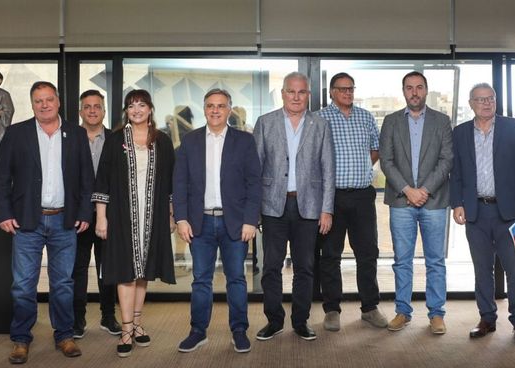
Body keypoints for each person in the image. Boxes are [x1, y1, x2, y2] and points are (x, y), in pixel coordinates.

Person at [0, 81, 93, 364]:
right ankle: (21, 340)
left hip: (65, 220)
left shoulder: (75, 134)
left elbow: (87, 180)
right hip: (27, 220)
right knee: (24, 285)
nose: (44, 105)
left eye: (49, 99)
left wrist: (85, 213)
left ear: (58, 102)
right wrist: (4, 213)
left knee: (63, 283)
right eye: (38, 101)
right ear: (32, 104)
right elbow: (1, 180)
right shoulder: (16, 134)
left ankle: (64, 335)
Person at [173, 89, 262, 353]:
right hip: (200, 223)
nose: (215, 110)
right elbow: (179, 183)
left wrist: (250, 220)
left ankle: (239, 330)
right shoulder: (190, 141)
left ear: (229, 110)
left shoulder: (244, 141)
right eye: (210, 105)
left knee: (236, 278)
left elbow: (254, 183)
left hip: (234, 223)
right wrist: (181, 218)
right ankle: (198, 331)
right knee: (201, 280)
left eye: (220, 106)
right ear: (204, 109)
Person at [93, 89, 176, 358]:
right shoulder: (115, 140)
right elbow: (102, 181)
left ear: (150, 108)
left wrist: (172, 215)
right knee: (124, 272)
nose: (136, 110)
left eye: (141, 105)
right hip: (120, 217)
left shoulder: (162, 141)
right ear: (126, 111)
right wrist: (101, 217)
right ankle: (126, 328)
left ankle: (137, 323)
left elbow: (171, 183)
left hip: (153, 216)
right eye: (131, 106)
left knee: (143, 273)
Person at [253, 72, 335, 341]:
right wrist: (253, 210)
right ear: (283, 93)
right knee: (271, 267)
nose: (296, 97)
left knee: (305, 267)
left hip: (309, 206)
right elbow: (255, 168)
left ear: (308, 95)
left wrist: (327, 209)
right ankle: (274, 321)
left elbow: (328, 169)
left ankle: (301, 321)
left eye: (302, 92)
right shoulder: (265, 123)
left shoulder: (320, 125)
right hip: (273, 205)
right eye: (291, 91)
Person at [449, 83, 515, 343]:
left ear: (495, 101)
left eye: (490, 99)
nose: (486, 103)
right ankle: (487, 318)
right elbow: (456, 172)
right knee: (482, 269)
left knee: (514, 270)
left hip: (510, 215)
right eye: (480, 99)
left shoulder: (513, 127)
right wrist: (457, 203)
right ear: (471, 103)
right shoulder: (460, 132)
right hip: (476, 213)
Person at [379, 71, 453, 334]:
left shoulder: (442, 121)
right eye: (409, 88)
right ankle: (402, 311)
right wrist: (408, 190)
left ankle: (436, 314)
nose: (414, 92)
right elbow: (386, 161)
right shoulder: (390, 121)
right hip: (401, 202)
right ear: (403, 91)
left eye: (419, 87)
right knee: (402, 260)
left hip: (434, 202)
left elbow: (446, 160)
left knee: (435, 260)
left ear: (426, 90)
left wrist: (424, 190)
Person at [316, 72, 387, 331]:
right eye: (342, 89)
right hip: (331, 197)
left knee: (367, 253)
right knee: (331, 255)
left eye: (351, 89)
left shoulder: (366, 116)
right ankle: (332, 310)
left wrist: (360, 168)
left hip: (362, 195)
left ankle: (370, 307)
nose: (348, 93)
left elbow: (376, 148)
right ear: (332, 92)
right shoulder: (320, 118)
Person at [71, 90, 120, 339]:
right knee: (77, 269)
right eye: (87, 106)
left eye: (97, 106)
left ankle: (108, 316)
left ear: (103, 110)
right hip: (77, 217)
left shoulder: (116, 139)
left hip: (108, 216)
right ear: (81, 111)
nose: (92, 111)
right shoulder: (69, 137)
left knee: (107, 268)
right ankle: (77, 320)